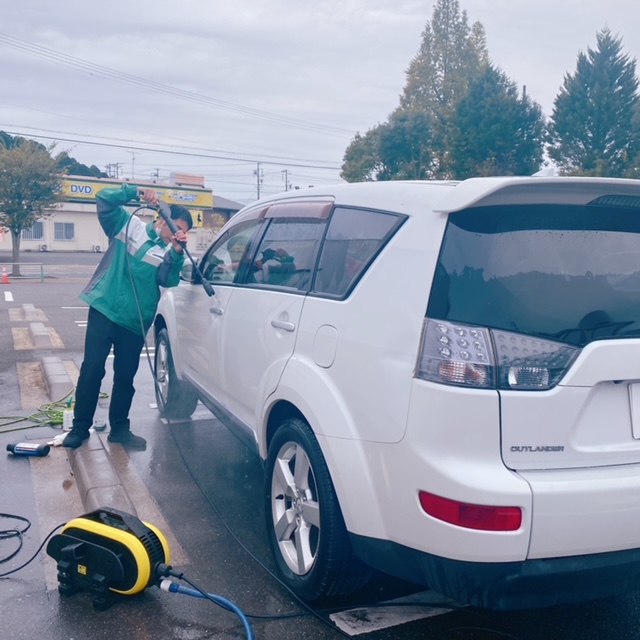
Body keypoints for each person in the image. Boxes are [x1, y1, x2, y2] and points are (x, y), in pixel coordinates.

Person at [63, 183, 193, 450]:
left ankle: (119, 429)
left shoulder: (169, 252)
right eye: (175, 227)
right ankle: (80, 427)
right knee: (92, 369)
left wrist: (178, 253)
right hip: (105, 307)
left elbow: (168, 280)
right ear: (161, 219)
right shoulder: (128, 224)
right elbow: (103, 198)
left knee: (125, 376)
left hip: (135, 320)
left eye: (183, 232)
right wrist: (134, 192)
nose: (177, 234)